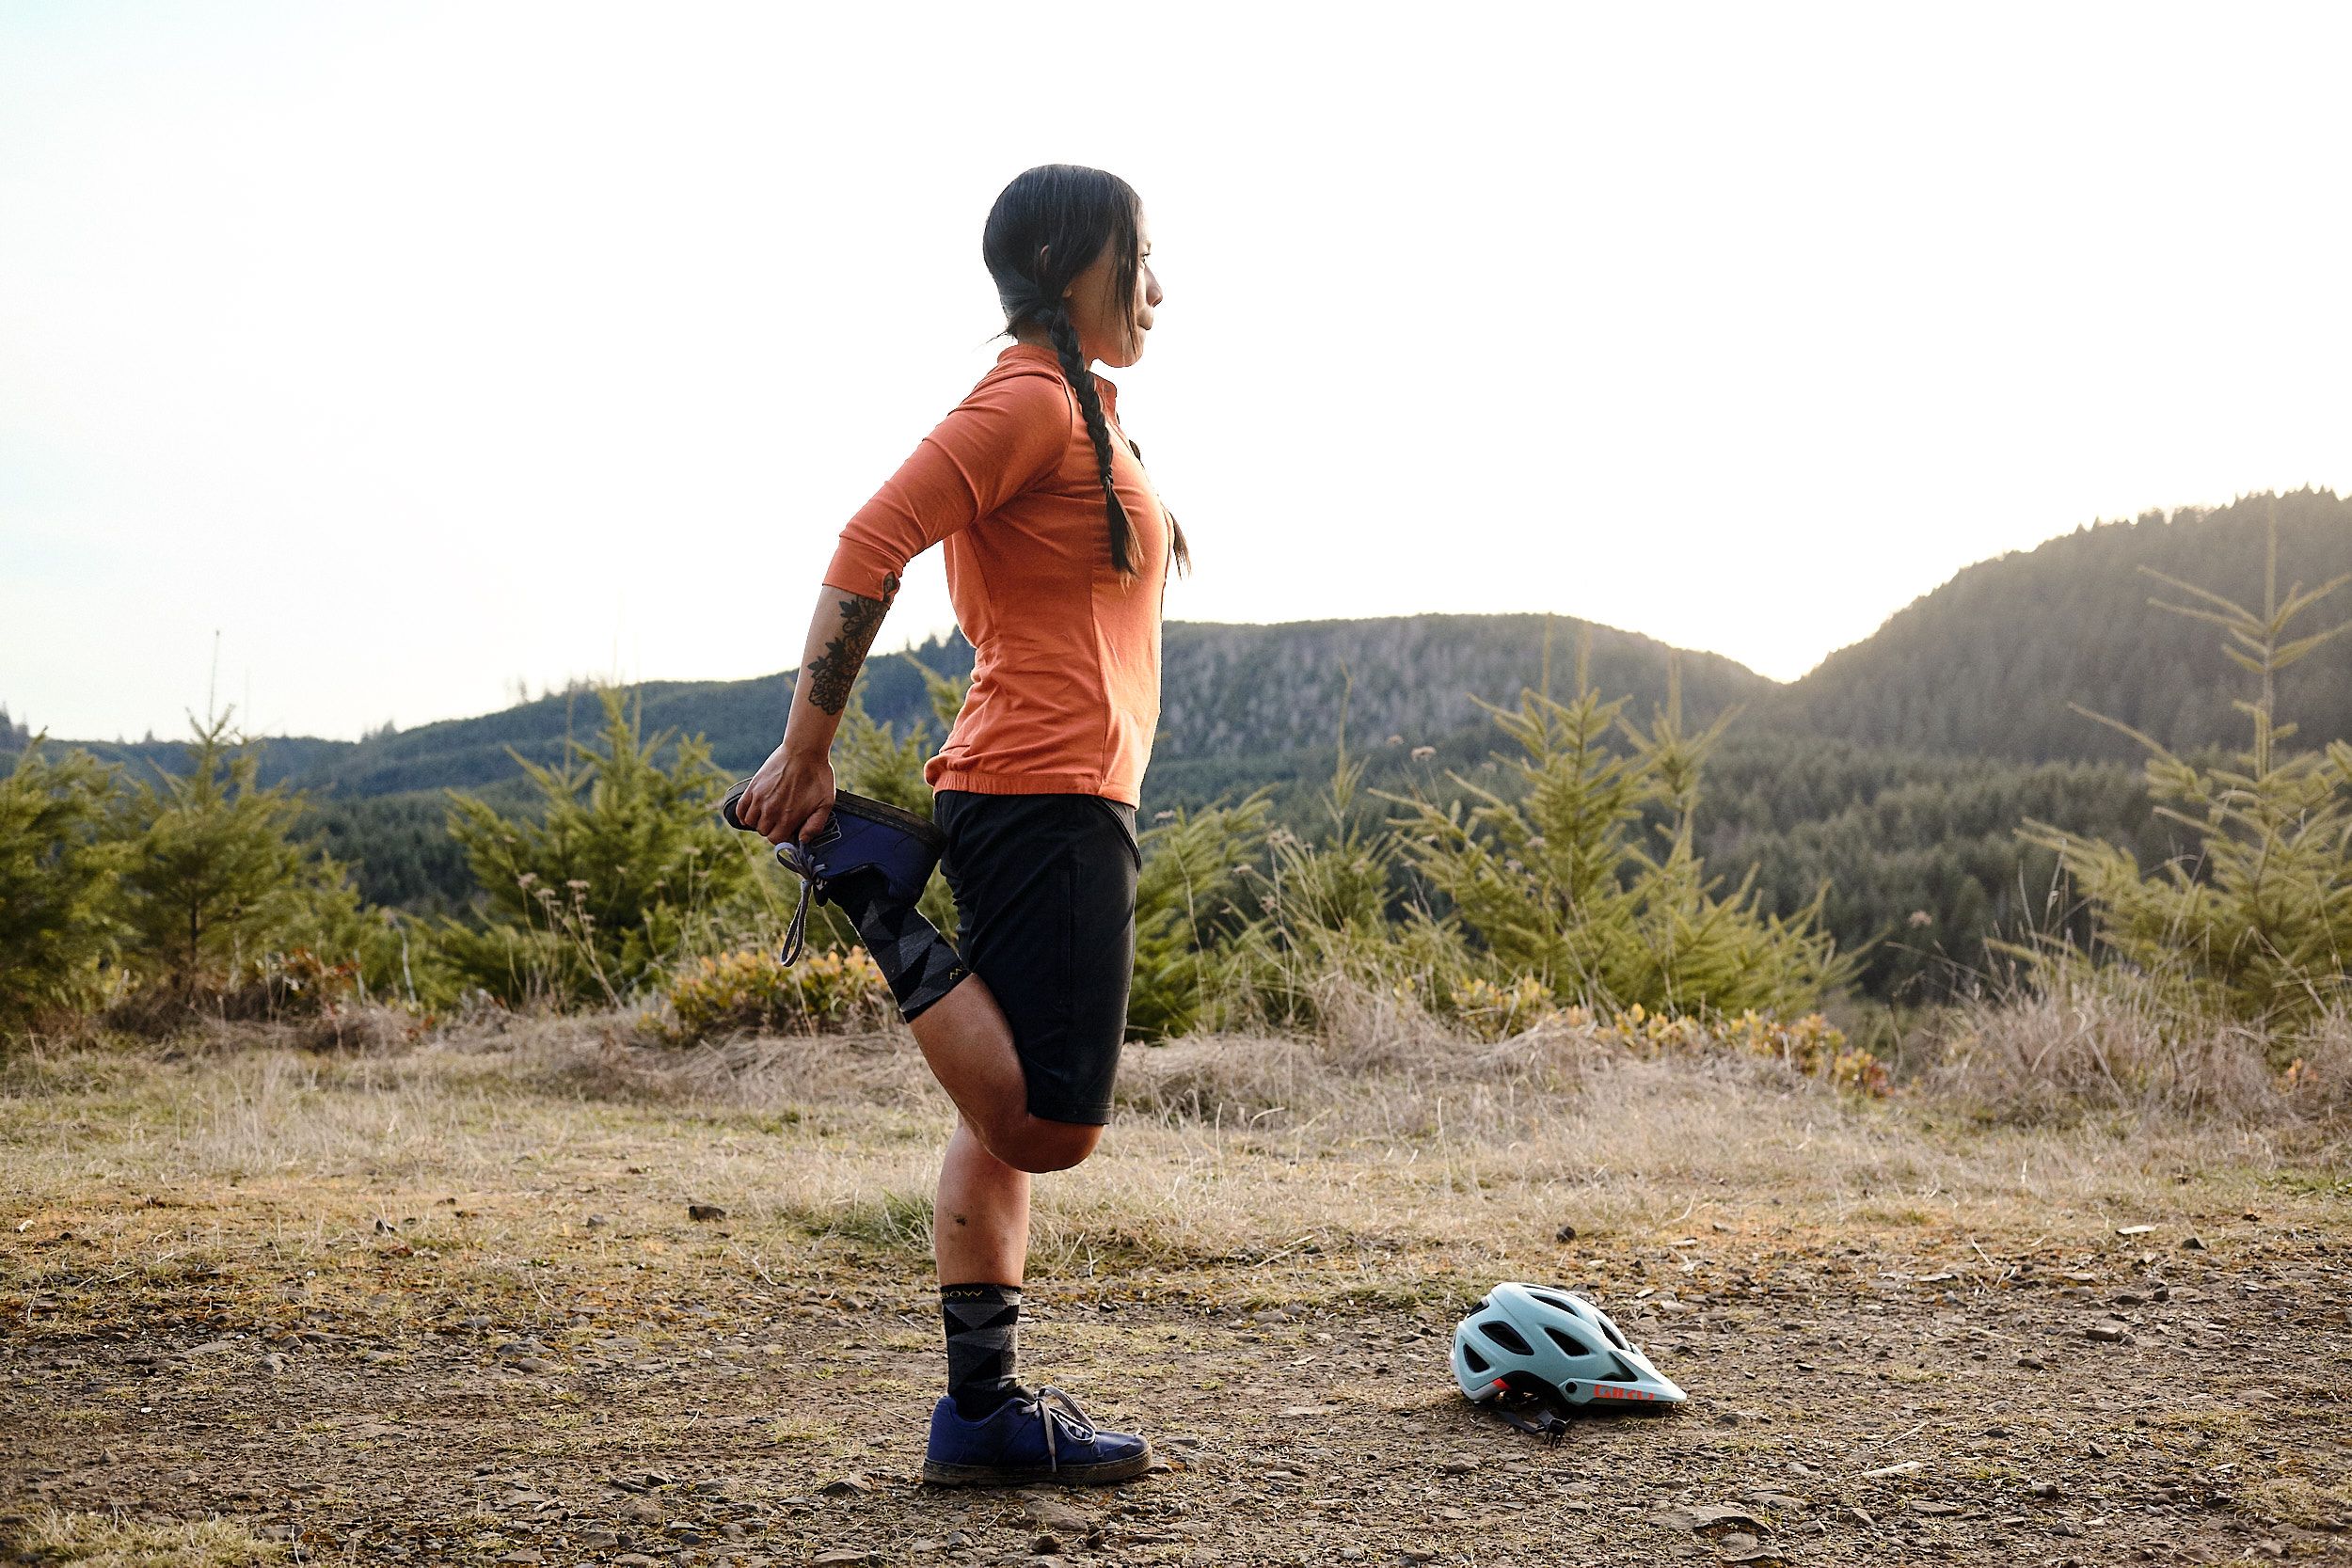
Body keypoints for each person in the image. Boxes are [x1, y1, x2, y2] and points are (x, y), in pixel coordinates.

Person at [731, 164, 1189, 1488]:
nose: (1156, 287)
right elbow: (872, 539)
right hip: (1039, 792)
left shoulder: (1077, 409)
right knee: (1050, 1124)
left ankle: (980, 1417)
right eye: (1138, 257)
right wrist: (806, 748)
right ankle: (871, 887)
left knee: (999, 1131)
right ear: (1071, 263)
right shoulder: (1028, 402)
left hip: (1053, 788)